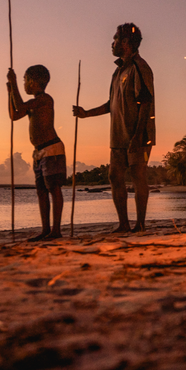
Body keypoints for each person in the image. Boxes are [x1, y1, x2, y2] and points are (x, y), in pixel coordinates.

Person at [73, 23, 155, 233]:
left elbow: (145, 103)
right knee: (114, 176)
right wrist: (86, 113)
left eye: (115, 39)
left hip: (139, 135)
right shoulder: (118, 71)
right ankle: (123, 223)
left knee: (138, 176)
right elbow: (111, 104)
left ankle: (140, 224)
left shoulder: (140, 67)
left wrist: (137, 136)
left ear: (126, 43)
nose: (112, 43)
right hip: (118, 135)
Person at [7, 64, 66, 241]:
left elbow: (20, 105)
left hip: (52, 149)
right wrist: (10, 92)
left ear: (32, 82)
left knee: (53, 188)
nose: (24, 84)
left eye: (25, 80)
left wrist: (14, 83)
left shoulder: (44, 99)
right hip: (39, 152)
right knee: (41, 190)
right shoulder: (32, 104)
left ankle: (56, 229)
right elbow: (15, 114)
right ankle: (46, 229)